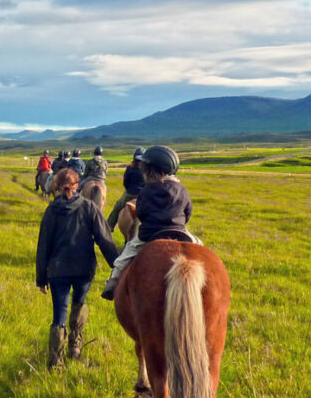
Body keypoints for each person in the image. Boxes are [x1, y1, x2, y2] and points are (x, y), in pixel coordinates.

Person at [36, 168, 119, 368]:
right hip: (84, 270)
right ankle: (75, 344)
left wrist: (41, 279)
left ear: (55, 186)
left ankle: (56, 362)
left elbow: (43, 246)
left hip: (58, 271)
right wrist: (117, 266)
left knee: (59, 314)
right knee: (79, 303)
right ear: (77, 185)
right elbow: (105, 239)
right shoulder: (90, 208)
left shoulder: (51, 211)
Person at [101, 145, 201, 300]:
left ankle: (112, 284)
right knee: (200, 248)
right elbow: (188, 212)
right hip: (180, 231)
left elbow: (140, 212)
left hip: (149, 234)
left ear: (151, 170)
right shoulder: (182, 189)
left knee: (123, 258)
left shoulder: (147, 189)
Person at [106, 147, 145, 230]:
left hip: (130, 193)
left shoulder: (130, 168)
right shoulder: (146, 169)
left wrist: (129, 189)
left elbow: (125, 182)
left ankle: (109, 226)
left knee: (118, 207)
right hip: (144, 194)